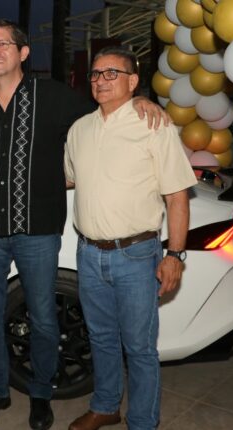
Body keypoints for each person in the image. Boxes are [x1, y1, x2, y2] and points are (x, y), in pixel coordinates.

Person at [0, 20, 168, 430]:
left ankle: (41, 393)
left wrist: (141, 100)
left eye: (3, 44)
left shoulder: (53, 96)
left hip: (38, 231)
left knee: (43, 318)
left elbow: (106, 113)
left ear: (23, 52)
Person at [64, 46, 196, 430]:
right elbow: (70, 178)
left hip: (137, 255)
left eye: (112, 73)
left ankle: (142, 422)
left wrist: (175, 255)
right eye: (95, 74)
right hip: (88, 253)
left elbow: (177, 196)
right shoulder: (79, 129)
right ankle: (106, 406)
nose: (101, 80)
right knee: (100, 338)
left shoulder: (154, 125)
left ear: (133, 81)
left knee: (139, 347)